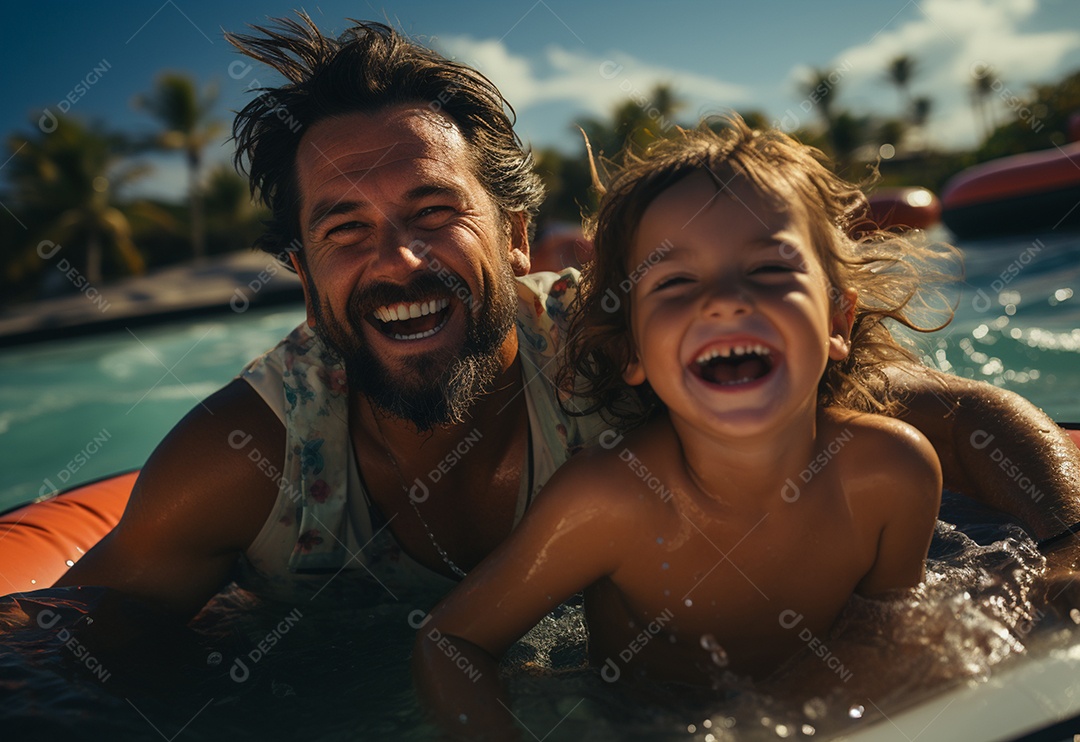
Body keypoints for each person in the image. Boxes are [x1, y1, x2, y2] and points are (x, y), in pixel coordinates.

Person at [50, 15, 1080, 626]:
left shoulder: (616, 350)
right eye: (345, 230)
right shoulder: (249, 462)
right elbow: (65, 646)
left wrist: (1068, 550)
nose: (397, 260)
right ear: (304, 273)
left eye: (431, 212)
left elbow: (957, 414)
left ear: (513, 237)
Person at [411, 119, 946, 732]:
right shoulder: (610, 501)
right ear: (632, 350)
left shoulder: (891, 475)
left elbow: (886, 642)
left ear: (837, 323)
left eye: (771, 269)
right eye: (674, 282)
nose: (723, 300)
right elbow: (450, 642)